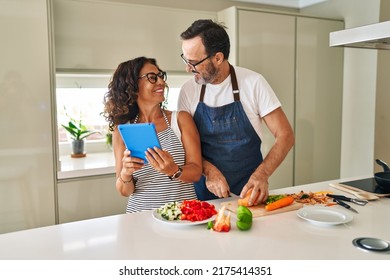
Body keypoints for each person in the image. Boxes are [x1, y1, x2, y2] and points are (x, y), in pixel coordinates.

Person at [178, 19, 295, 206]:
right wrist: (209, 171)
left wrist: (262, 174)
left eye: (193, 62)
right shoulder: (188, 90)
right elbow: (187, 147)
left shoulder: (253, 83)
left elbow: (285, 135)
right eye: (185, 60)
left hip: (249, 194)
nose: (187, 68)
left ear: (218, 58)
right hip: (205, 196)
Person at [103, 57, 202, 213]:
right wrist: (126, 173)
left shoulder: (181, 119)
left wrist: (174, 170)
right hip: (140, 218)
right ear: (133, 86)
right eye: (152, 77)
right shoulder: (122, 131)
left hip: (183, 215)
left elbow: (196, 172)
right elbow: (124, 191)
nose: (161, 82)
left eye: (161, 76)